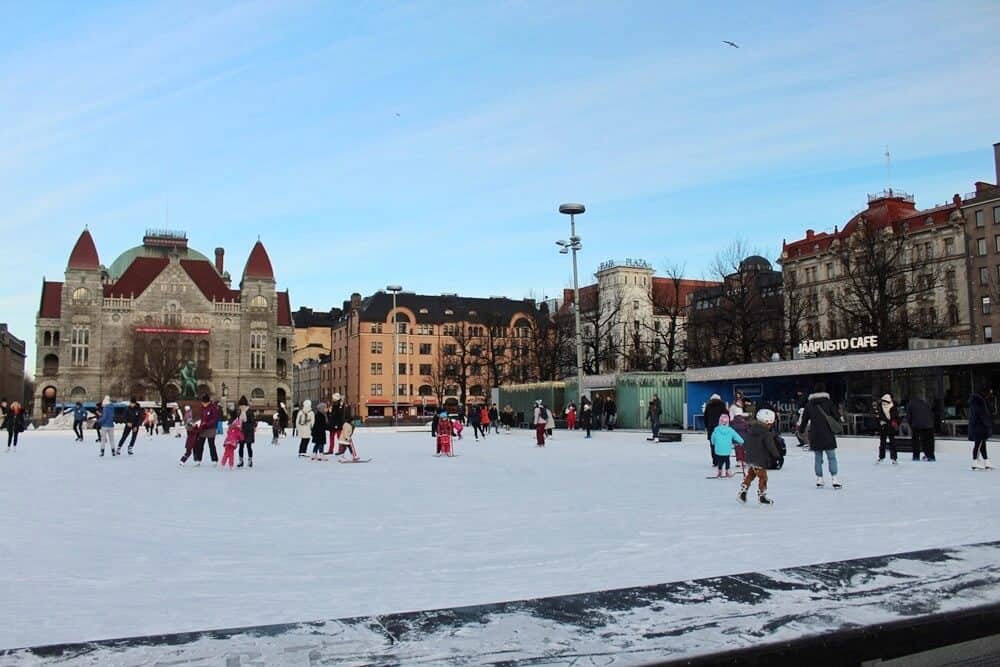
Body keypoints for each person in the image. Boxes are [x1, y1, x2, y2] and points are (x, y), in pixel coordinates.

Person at [799, 382, 842, 489]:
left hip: (815, 434)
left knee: (818, 458)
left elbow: (804, 420)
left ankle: (819, 479)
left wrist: (801, 430)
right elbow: (836, 416)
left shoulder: (809, 404)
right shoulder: (829, 403)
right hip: (828, 434)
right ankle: (834, 479)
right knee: (831, 457)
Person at [738, 409, 780, 505]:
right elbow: (771, 446)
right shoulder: (766, 433)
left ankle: (743, 491)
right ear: (767, 422)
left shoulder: (750, 430)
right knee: (763, 477)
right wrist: (777, 455)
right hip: (760, 460)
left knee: (751, 474)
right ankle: (762, 496)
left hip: (750, 458)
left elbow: (745, 444)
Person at [711, 413, 743, 478]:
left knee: (720, 461)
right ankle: (727, 471)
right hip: (727, 449)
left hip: (719, 449)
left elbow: (713, 437)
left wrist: (713, 443)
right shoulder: (730, 430)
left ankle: (719, 471)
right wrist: (742, 442)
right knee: (727, 460)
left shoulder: (716, 429)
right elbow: (737, 436)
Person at [968, 391, 993, 470]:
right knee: (978, 445)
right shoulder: (980, 403)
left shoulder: (974, 403)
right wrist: (987, 425)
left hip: (977, 427)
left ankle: (986, 461)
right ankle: (975, 461)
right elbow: (982, 416)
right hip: (980, 428)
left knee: (981, 445)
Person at [907, 396, 935, 462]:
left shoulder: (911, 404)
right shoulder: (927, 403)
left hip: (916, 425)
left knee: (915, 441)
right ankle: (930, 456)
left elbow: (909, 416)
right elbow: (931, 413)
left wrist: (911, 424)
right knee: (928, 441)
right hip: (928, 425)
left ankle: (916, 456)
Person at [195, 394, 220, 465]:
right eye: (202, 402)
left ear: (208, 402)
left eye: (204, 403)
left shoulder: (213, 408)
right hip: (203, 428)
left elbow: (215, 419)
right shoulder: (202, 407)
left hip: (211, 429)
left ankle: (214, 460)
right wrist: (199, 425)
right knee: (200, 444)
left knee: (211, 444)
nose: (202, 404)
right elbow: (202, 418)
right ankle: (198, 459)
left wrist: (207, 424)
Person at [704, 394, 728, 466]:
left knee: (713, 444)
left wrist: (706, 426)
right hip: (720, 427)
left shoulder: (708, 405)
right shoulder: (722, 405)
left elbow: (705, 417)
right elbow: (725, 415)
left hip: (711, 428)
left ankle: (715, 461)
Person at [875, 394, 899, 464]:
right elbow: (878, 416)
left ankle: (894, 458)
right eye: (883, 402)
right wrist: (880, 421)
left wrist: (893, 422)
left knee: (892, 442)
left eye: (886, 402)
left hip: (891, 427)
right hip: (883, 427)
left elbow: (895, 417)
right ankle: (881, 457)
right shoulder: (880, 407)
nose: (884, 403)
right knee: (882, 442)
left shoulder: (893, 407)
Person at [236, 396, 255, 468]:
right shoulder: (239, 411)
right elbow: (237, 420)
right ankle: (241, 461)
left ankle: (250, 461)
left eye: (242, 406)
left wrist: (245, 422)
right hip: (241, 431)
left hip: (248, 431)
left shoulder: (249, 411)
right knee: (241, 446)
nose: (241, 407)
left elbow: (253, 422)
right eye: (240, 406)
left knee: (248, 446)